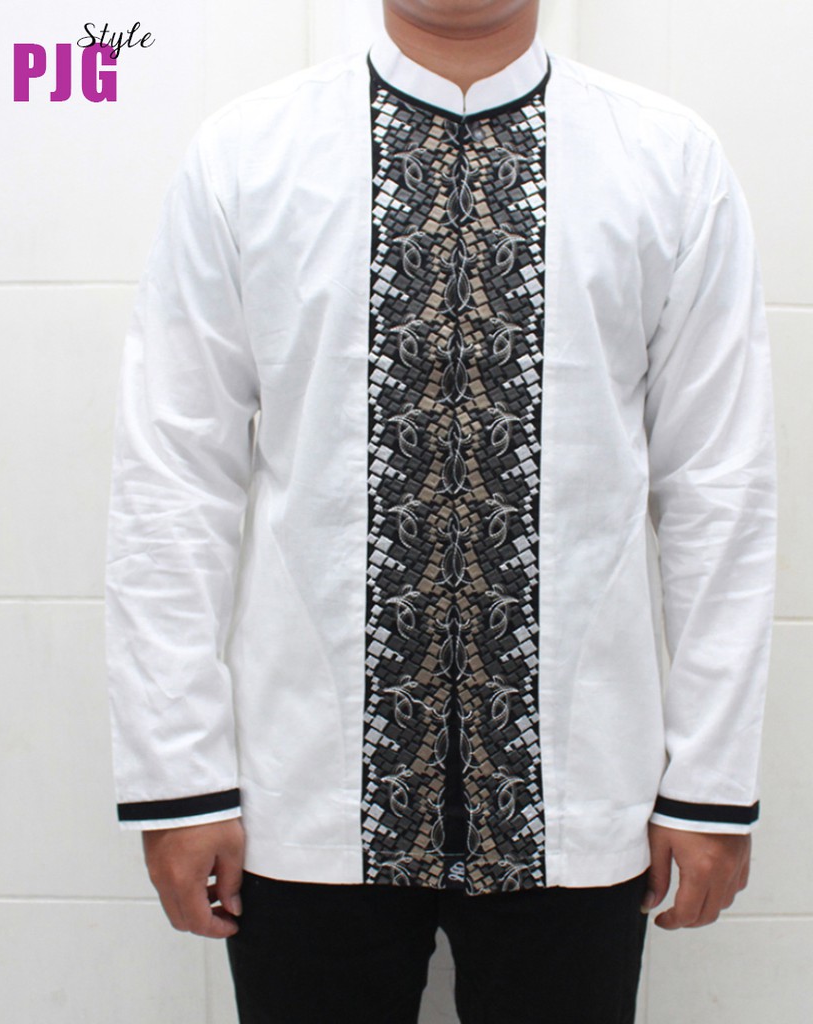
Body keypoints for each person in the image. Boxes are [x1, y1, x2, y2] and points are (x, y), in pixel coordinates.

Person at [103, 1, 777, 1020]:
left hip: (581, 795)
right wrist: (177, 776)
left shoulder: (666, 159)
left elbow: (719, 485)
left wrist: (711, 784)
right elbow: (172, 478)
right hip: (306, 798)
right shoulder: (248, 155)